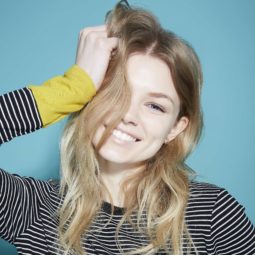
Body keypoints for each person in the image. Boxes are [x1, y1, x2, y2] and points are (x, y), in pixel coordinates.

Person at [0, 1, 255, 254]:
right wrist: (72, 87)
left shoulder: (213, 216)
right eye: (117, 93)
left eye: (155, 106)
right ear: (90, 98)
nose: (128, 116)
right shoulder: (35, 209)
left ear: (175, 128)